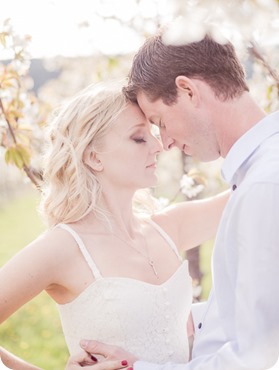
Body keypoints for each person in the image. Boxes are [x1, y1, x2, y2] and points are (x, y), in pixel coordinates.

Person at [66, 32, 279, 370]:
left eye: (160, 122)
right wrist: (168, 320)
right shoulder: (259, 174)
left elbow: (255, 358)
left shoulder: (264, 185)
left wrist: (138, 369)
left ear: (188, 91)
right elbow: (260, 307)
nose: (163, 143)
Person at [0, 82, 228, 370]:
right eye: (138, 138)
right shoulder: (63, 247)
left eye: (152, 135)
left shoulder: (169, 227)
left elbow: (249, 190)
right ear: (94, 157)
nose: (158, 146)